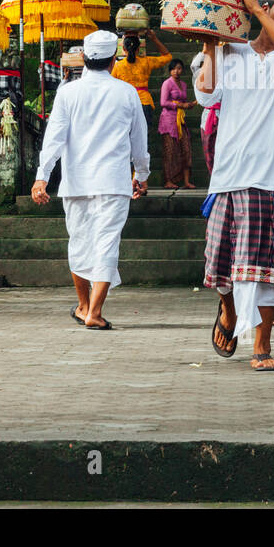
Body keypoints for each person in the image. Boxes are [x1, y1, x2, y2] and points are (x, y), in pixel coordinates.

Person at [196, 0, 274, 372]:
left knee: (268, 268)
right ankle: (228, 312)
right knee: (220, 262)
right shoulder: (232, 52)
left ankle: (261, 343)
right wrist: (212, 42)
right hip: (230, 175)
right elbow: (207, 95)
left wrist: (258, 9)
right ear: (269, 7)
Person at [33, 29, 150, 330]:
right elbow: (139, 142)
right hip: (113, 182)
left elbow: (53, 139)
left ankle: (85, 305)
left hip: (76, 183)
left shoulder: (67, 92)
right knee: (106, 243)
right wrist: (143, 174)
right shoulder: (126, 93)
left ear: (83, 58)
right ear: (115, 59)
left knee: (80, 244)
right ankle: (93, 311)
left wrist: (41, 178)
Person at [111, 27, 171, 128]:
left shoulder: (117, 66)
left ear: (124, 49)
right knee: (143, 138)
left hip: (125, 104)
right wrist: (154, 38)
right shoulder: (146, 62)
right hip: (145, 103)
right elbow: (167, 56)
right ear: (139, 49)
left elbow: (110, 86)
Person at [158, 59, 195, 189]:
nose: (176, 71)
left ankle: (186, 181)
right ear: (170, 71)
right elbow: (163, 102)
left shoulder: (184, 84)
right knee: (170, 151)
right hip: (168, 120)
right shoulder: (167, 84)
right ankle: (168, 180)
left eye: (179, 68)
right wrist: (179, 104)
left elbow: (184, 102)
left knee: (186, 149)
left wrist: (188, 105)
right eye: (174, 69)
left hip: (180, 120)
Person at [192, 50, 219, 175]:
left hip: (226, 117)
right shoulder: (200, 75)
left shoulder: (227, 75)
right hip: (208, 118)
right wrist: (207, 52)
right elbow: (194, 65)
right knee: (209, 151)